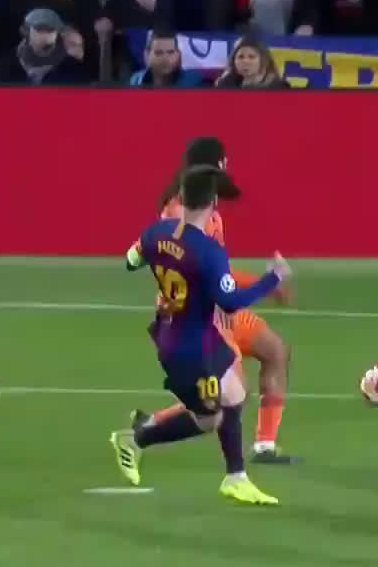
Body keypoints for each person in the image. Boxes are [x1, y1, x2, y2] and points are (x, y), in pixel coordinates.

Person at [108, 165, 288, 504]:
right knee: (209, 419)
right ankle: (135, 439)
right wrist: (272, 279)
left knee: (235, 393)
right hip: (192, 351)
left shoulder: (155, 233)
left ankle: (236, 477)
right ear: (213, 203)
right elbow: (230, 302)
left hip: (183, 335)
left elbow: (131, 261)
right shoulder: (208, 252)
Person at [132, 138, 295, 463]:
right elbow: (192, 268)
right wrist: (266, 282)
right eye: (224, 163)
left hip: (220, 309)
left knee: (275, 350)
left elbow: (216, 271)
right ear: (216, 166)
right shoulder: (179, 212)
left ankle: (264, 446)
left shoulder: (206, 208)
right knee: (228, 396)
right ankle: (152, 429)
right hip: (199, 318)